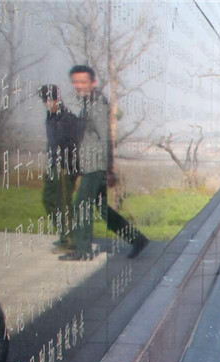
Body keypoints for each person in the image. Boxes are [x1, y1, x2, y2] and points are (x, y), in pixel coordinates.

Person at [61, 65, 149, 262]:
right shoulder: (88, 103)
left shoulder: (97, 104)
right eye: (75, 81)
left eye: (83, 82)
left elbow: (105, 138)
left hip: (96, 167)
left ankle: (82, 250)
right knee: (102, 209)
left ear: (92, 83)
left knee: (81, 205)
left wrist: (108, 169)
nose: (78, 85)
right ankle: (137, 239)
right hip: (91, 165)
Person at [38, 84, 83, 252]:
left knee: (63, 203)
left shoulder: (67, 118)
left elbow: (74, 145)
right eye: (45, 101)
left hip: (66, 166)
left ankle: (69, 240)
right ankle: (65, 234)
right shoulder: (50, 117)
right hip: (53, 165)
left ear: (57, 99)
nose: (47, 103)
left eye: (50, 100)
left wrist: (66, 165)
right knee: (48, 199)